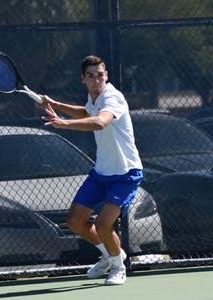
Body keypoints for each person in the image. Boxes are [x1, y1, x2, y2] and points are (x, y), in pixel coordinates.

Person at [39, 55, 143, 285]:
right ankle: (109, 254)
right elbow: (87, 113)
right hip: (102, 173)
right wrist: (56, 104)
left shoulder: (113, 97)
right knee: (75, 221)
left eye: (101, 75)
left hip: (125, 174)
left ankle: (118, 267)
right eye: (91, 76)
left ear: (106, 76)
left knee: (102, 225)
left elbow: (99, 122)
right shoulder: (94, 97)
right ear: (83, 79)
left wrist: (64, 124)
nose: (97, 80)